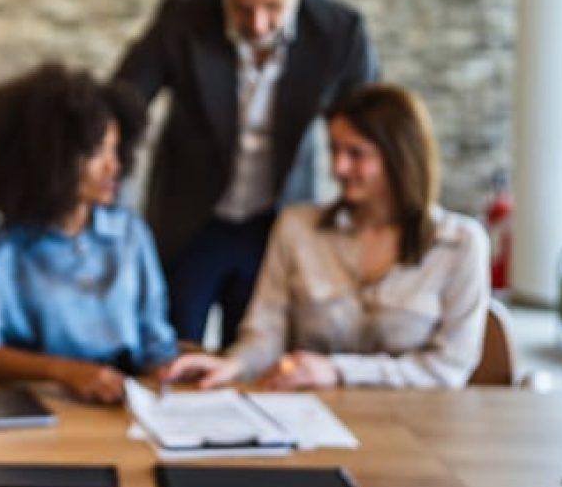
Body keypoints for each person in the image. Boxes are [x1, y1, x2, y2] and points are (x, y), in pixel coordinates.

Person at [112, 0, 380, 347]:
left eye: (274, 7)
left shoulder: (340, 32)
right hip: (190, 220)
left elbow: (370, 134)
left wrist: (362, 221)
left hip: (276, 223)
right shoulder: (182, 17)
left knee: (258, 354)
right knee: (168, 351)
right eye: (242, 7)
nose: (258, 25)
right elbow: (124, 104)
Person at [162, 84, 490, 390]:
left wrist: (338, 371)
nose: (339, 167)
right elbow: (266, 333)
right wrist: (232, 365)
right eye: (334, 150)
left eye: (356, 153)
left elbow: (449, 369)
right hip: (311, 422)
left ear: (400, 157)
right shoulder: (296, 228)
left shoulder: (461, 245)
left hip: (416, 428)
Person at [0, 63, 178, 405]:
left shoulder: (130, 234)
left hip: (125, 405)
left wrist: (169, 371)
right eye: (97, 153)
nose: (115, 167)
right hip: (41, 406)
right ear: (53, 158)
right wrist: (66, 372)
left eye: (115, 149)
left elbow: (156, 340)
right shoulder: (2, 251)